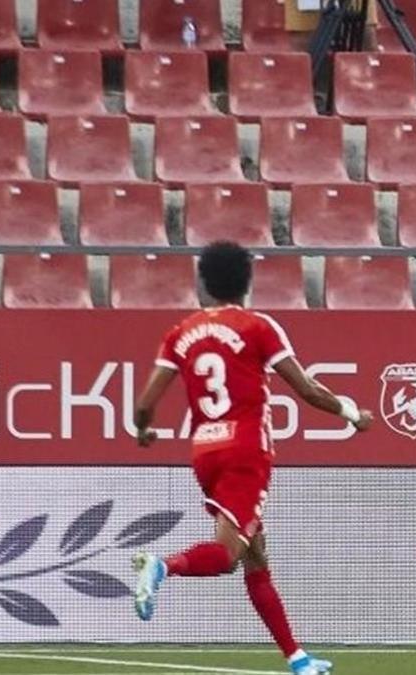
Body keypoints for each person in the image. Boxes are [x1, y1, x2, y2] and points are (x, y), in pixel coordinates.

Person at [131, 242, 374, 675]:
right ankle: (161, 566)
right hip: (246, 452)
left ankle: (298, 659)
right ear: (248, 281)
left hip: (205, 451)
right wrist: (354, 415)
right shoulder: (258, 327)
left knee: (255, 555)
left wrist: (144, 429)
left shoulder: (180, 332)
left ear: (202, 282)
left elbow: (146, 404)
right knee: (227, 555)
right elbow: (308, 390)